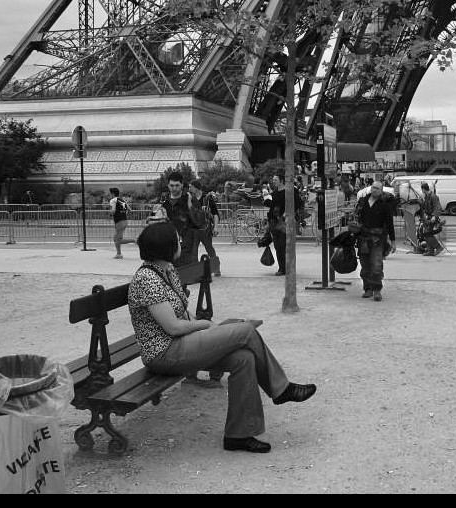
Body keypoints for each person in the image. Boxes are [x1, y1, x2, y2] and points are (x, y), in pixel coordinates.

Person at [127, 222, 316, 453]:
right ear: (165, 246)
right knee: (246, 330)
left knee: (244, 358)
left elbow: (182, 312)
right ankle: (281, 389)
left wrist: (208, 330)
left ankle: (238, 435)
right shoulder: (147, 278)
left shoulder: (166, 270)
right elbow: (173, 327)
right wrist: (206, 325)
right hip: (165, 352)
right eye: (176, 239)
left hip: (181, 346)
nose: (181, 242)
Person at [354, 181, 396, 300]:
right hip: (363, 238)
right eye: (373, 187)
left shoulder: (385, 205)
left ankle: (377, 290)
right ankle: (368, 289)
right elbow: (356, 218)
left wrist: (393, 241)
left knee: (376, 265)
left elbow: (389, 224)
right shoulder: (362, 202)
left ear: (381, 190)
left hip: (378, 239)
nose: (374, 190)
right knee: (364, 265)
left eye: (377, 188)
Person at [264, 174, 304, 276]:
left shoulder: (290, 191)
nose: (273, 181)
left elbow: (299, 203)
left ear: (281, 180)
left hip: (285, 222)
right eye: (273, 179)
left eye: (275, 179)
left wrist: (288, 214)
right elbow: (270, 206)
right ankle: (282, 268)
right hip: (274, 221)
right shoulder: (274, 193)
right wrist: (265, 198)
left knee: (284, 245)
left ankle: (287, 268)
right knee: (278, 246)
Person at [160, 172, 202, 266]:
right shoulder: (163, 200)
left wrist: (190, 206)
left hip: (187, 240)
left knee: (187, 270)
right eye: (171, 185)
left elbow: (199, 220)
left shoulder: (190, 198)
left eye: (177, 185)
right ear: (168, 185)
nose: (174, 188)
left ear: (182, 185)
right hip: (169, 240)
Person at [188, 179, 221, 276]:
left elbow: (215, 214)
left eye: (191, 187)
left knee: (209, 249)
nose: (189, 189)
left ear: (196, 188)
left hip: (205, 229)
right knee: (193, 251)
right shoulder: (190, 199)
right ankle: (196, 272)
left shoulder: (207, 198)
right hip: (193, 229)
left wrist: (216, 227)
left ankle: (216, 268)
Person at [109, 187, 135, 259]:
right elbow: (130, 210)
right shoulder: (122, 200)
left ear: (113, 194)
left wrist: (110, 213)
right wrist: (123, 215)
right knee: (115, 238)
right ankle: (119, 254)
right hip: (124, 220)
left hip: (119, 222)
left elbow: (113, 210)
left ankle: (135, 240)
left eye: (110, 194)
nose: (110, 195)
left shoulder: (113, 200)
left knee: (118, 240)